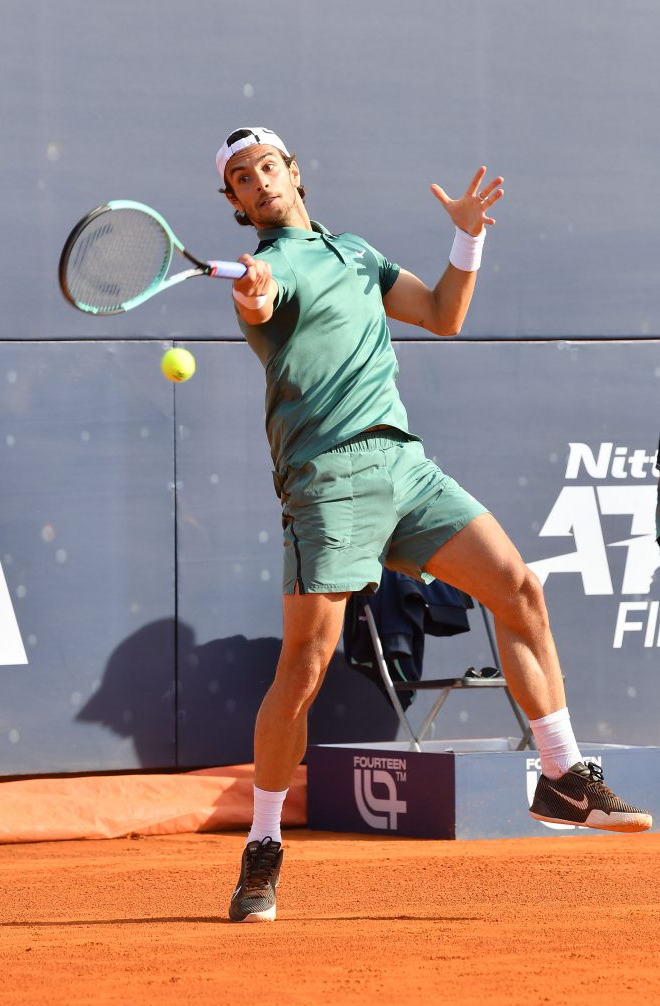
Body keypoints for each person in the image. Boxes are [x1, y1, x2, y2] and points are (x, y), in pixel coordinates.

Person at [215, 126, 652, 924]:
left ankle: (560, 776)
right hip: (329, 479)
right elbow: (263, 299)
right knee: (303, 668)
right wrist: (253, 293)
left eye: (267, 166)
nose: (259, 182)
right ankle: (265, 843)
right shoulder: (265, 269)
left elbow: (444, 315)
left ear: (294, 171)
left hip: (404, 466)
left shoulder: (354, 254)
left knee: (518, 588)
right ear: (238, 203)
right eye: (242, 179)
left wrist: (466, 234)